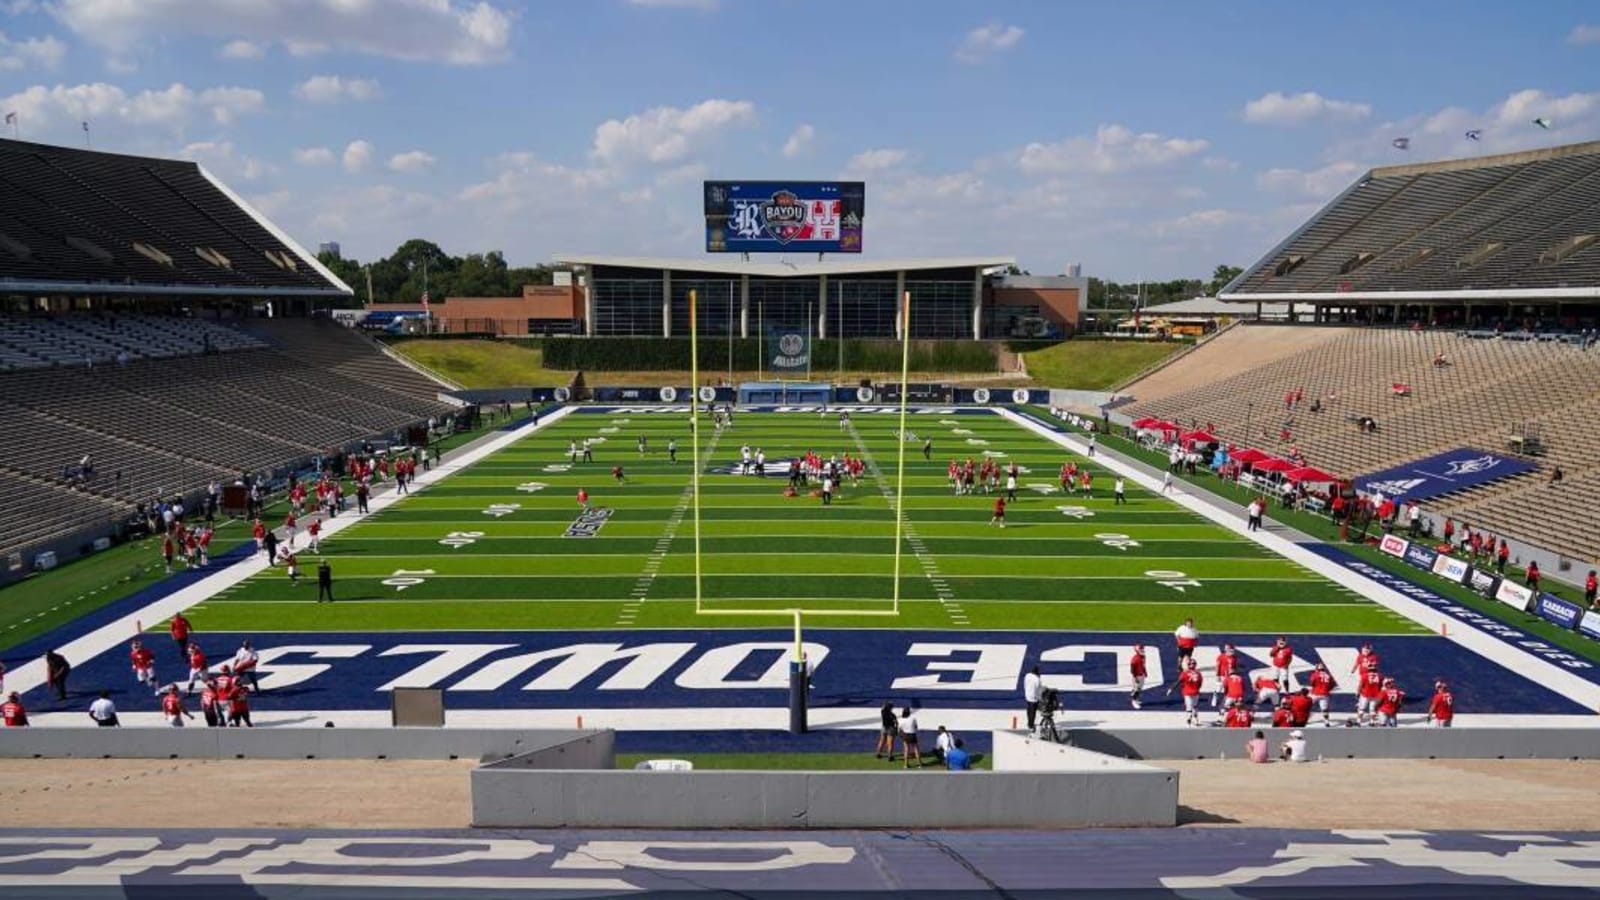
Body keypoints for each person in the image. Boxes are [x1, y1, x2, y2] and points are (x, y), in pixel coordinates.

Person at [1178, 659, 1204, 727]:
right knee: (1192, 707)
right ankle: (1193, 721)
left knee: (1191, 707)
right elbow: (1200, 683)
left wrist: (1171, 688)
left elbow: (1179, 681)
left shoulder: (1185, 673)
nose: (1192, 665)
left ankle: (1191, 721)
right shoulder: (1198, 673)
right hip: (1193, 692)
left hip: (1189, 692)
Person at [1022, 665, 1042, 731]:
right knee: (1033, 712)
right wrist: (1039, 698)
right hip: (1034, 698)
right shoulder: (1037, 679)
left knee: (1029, 709)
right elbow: (1038, 690)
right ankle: (1031, 725)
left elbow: (1025, 684)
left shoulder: (1027, 675)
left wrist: (1026, 691)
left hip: (1027, 695)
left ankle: (1029, 722)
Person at [1128, 643, 1147, 709]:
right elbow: (1132, 670)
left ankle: (1135, 697)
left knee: (1140, 688)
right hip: (1137, 676)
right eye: (1141, 649)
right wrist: (1135, 677)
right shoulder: (1135, 659)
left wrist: (1145, 672)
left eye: (1142, 648)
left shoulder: (1143, 657)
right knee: (1137, 689)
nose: (1142, 650)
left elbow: (1143, 666)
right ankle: (1134, 701)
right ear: (1137, 650)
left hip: (1141, 675)